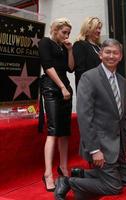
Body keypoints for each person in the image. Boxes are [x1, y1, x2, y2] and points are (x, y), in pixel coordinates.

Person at [54, 38, 126, 200]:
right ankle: (68, 181)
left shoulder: (123, 81)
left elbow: (125, 116)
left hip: (120, 142)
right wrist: (94, 150)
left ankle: (83, 173)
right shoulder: (89, 78)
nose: (111, 56)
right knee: (114, 187)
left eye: (115, 53)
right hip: (100, 144)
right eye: (108, 52)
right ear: (100, 54)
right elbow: (84, 117)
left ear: (121, 56)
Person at [38, 18, 74, 192]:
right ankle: (47, 173)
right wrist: (61, 87)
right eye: (64, 32)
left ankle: (64, 167)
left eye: (68, 33)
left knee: (65, 131)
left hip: (65, 88)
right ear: (55, 30)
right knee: (53, 130)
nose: (66, 35)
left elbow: (71, 68)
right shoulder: (46, 42)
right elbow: (47, 67)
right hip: (52, 88)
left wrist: (70, 50)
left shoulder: (62, 47)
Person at [73, 17, 102, 88]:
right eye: (96, 28)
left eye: (100, 28)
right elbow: (80, 71)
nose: (99, 31)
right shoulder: (79, 44)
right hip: (88, 87)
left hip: (101, 86)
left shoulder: (100, 46)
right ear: (88, 29)